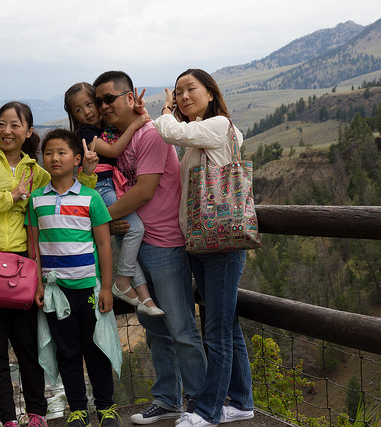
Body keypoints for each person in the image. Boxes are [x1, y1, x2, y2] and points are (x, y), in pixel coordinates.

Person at [0, 102, 99, 427]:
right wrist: (10, 196)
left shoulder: (38, 170)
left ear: (28, 131)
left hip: (23, 268)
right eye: (1, 124)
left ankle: (37, 414)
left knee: (28, 346)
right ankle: (8, 418)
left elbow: (69, 198)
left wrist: (87, 174)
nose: (7, 131)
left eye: (15, 125)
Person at [92, 71, 207, 423]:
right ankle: (168, 399)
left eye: (109, 98)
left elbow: (143, 190)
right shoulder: (124, 139)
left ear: (129, 98)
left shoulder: (152, 134)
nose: (103, 106)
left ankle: (201, 405)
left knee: (181, 328)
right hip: (139, 242)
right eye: (98, 101)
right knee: (156, 329)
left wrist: (100, 221)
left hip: (164, 243)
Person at [153, 68, 255, 427]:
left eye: (189, 89)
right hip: (202, 242)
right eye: (177, 93)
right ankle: (242, 402)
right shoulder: (203, 137)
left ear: (210, 93)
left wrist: (165, 110)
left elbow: (169, 132)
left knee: (215, 329)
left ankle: (208, 411)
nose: (181, 97)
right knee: (226, 327)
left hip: (221, 245)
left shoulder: (217, 125)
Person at [28, 129, 122, 427]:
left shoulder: (90, 197)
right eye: (49, 153)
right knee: (67, 351)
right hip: (56, 291)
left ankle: (106, 408)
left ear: (77, 159)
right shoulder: (35, 200)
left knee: (96, 349)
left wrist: (106, 286)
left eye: (62, 153)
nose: (54, 158)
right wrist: (39, 283)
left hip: (89, 289)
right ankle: (78, 410)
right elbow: (34, 247)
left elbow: (104, 244)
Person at [64, 82, 163, 316]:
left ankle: (145, 299)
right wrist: (140, 121)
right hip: (102, 186)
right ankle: (122, 281)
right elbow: (115, 150)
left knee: (128, 233)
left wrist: (137, 110)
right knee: (135, 228)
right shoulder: (85, 134)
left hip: (115, 185)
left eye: (90, 104)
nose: (87, 112)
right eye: (79, 110)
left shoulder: (106, 126)